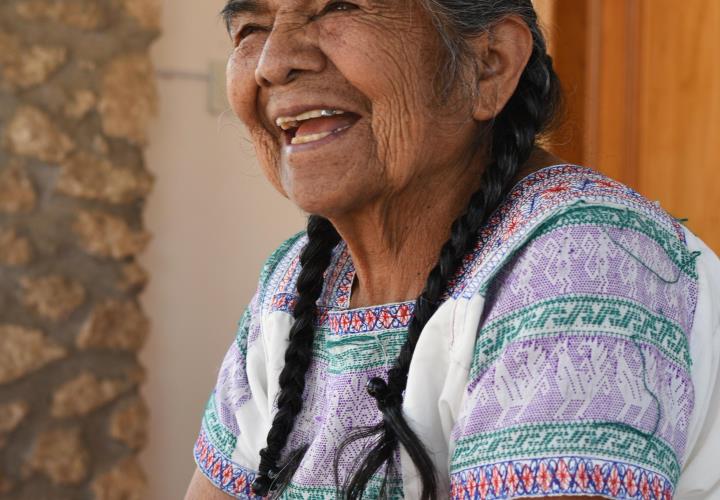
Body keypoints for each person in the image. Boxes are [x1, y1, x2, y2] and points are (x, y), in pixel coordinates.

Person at [184, 0, 720, 498]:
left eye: (338, 6)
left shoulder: (583, 263)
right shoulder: (300, 281)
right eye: (252, 28)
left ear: (488, 65)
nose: (272, 62)